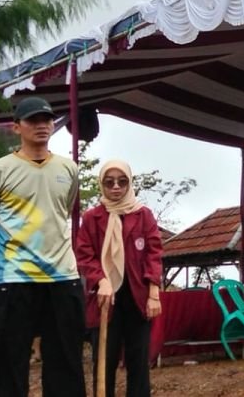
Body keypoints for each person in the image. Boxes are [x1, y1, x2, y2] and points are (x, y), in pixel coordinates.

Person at [0, 96, 86, 397]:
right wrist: (13, 253)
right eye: (33, 120)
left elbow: (63, 211)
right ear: (16, 127)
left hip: (62, 276)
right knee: (8, 365)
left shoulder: (69, 169)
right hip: (14, 277)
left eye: (47, 119)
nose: (42, 125)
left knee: (66, 364)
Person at [75, 159, 164, 397]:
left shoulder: (143, 215)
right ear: (101, 184)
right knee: (104, 363)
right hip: (105, 300)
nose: (116, 187)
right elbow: (84, 255)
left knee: (138, 364)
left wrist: (153, 293)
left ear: (129, 183)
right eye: (109, 182)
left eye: (122, 181)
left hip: (137, 299)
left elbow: (154, 253)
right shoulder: (92, 217)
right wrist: (101, 280)